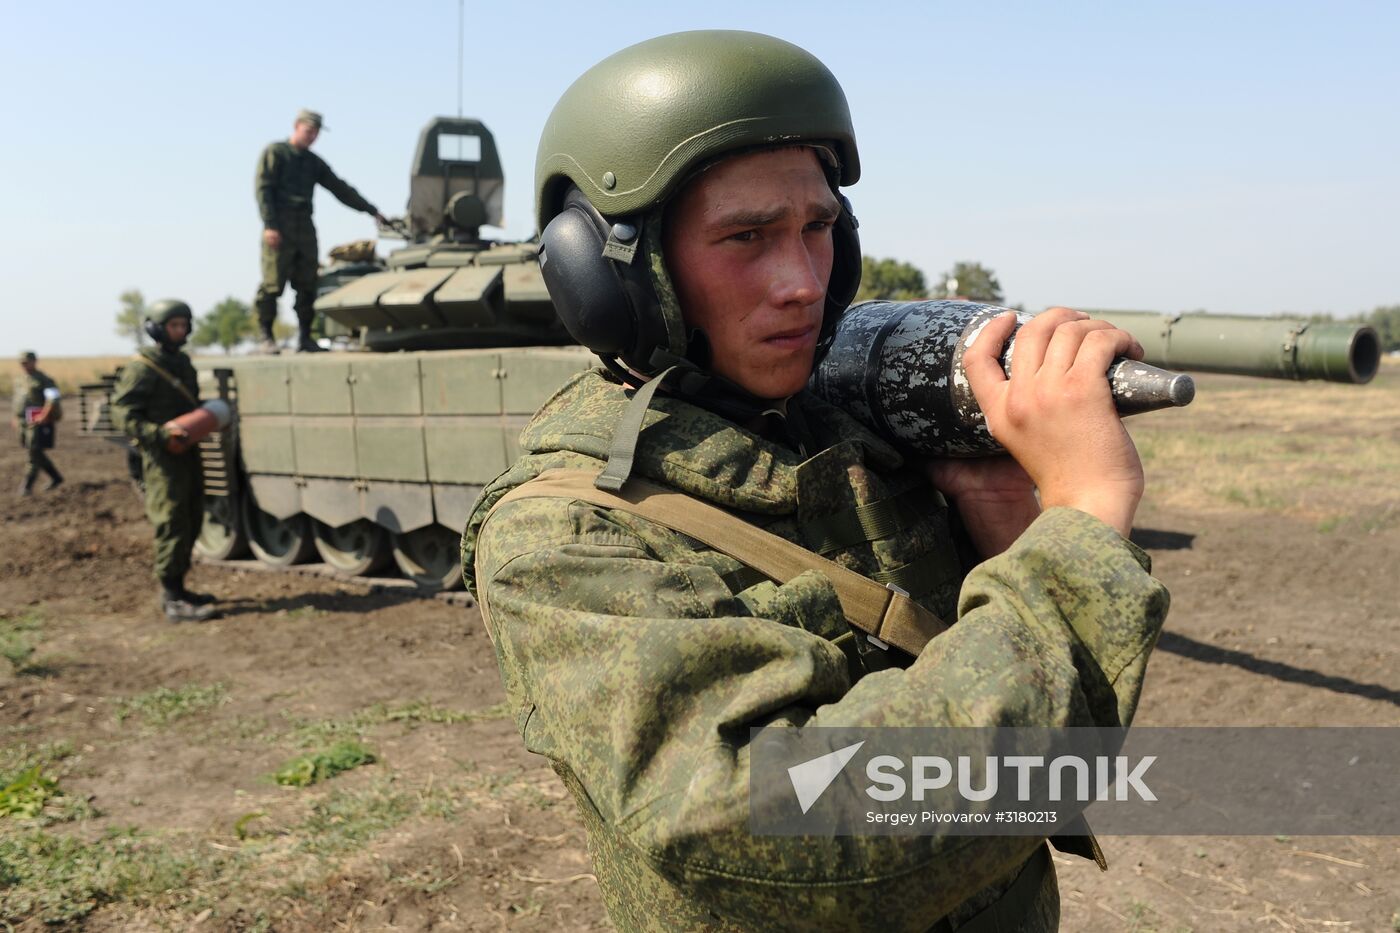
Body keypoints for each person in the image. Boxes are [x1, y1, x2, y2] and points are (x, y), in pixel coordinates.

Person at [462, 31, 1169, 932]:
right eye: (745, 237)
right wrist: (1080, 525)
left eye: (819, 228)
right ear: (613, 277)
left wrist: (1005, 522)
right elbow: (813, 838)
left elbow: (1042, 747)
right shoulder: (569, 536)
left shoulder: (849, 437)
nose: (801, 281)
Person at [110, 300, 218, 622]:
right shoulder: (143, 367)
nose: (180, 331)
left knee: (192, 518)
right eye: (173, 325)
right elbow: (123, 413)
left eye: (184, 325)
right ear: (157, 329)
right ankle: (171, 598)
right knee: (170, 522)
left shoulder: (182, 362)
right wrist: (158, 435)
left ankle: (180, 588)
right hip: (162, 457)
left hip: (188, 450)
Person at [253, 108, 386, 354]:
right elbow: (263, 189)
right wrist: (269, 225)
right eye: (308, 131)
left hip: (304, 225)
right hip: (279, 225)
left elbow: (340, 188)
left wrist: (371, 210)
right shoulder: (276, 153)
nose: (312, 136)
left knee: (307, 283)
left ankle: (305, 337)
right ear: (296, 127)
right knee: (273, 284)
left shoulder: (313, 162)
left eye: (315, 133)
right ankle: (266, 336)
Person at [13, 351, 63, 495]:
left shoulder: (44, 379)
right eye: (21, 362)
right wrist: (15, 417)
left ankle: (26, 486)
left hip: (37, 421)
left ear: (34, 362)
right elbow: (17, 400)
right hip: (23, 420)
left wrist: (44, 415)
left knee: (33, 452)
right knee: (33, 450)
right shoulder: (20, 379)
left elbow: (53, 399)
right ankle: (55, 477)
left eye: (26, 362)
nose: (24, 365)